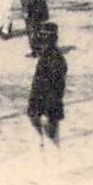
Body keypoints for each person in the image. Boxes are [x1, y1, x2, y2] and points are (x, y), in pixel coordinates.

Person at [28, 21, 66, 156]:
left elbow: (54, 88)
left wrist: (46, 112)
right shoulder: (51, 57)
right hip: (42, 107)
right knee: (48, 142)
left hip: (46, 107)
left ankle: (51, 171)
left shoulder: (53, 60)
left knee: (50, 143)